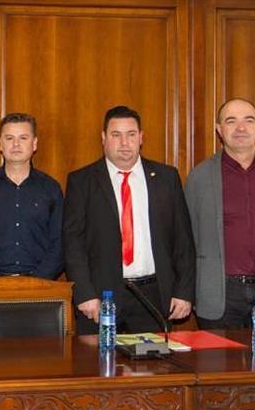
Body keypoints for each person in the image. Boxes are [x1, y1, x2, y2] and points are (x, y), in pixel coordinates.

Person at [63, 105, 195, 334]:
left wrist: (183, 291)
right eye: (116, 135)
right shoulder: (82, 181)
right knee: (98, 367)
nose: (124, 143)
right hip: (100, 298)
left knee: (152, 368)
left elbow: (183, 240)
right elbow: (73, 244)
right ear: (104, 138)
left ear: (141, 138)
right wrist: (84, 294)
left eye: (131, 135)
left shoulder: (166, 178)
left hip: (154, 296)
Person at [185, 98, 255, 328]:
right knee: (218, 364)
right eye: (231, 121)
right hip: (221, 295)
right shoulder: (199, 178)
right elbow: (187, 239)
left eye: (248, 120)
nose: (241, 128)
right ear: (219, 129)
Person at [0, 113, 63, 280]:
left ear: (34, 143)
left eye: (23, 138)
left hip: (41, 287)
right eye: (9, 138)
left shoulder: (51, 189)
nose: (16, 144)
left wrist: (38, 281)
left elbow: (59, 244)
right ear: (0, 144)